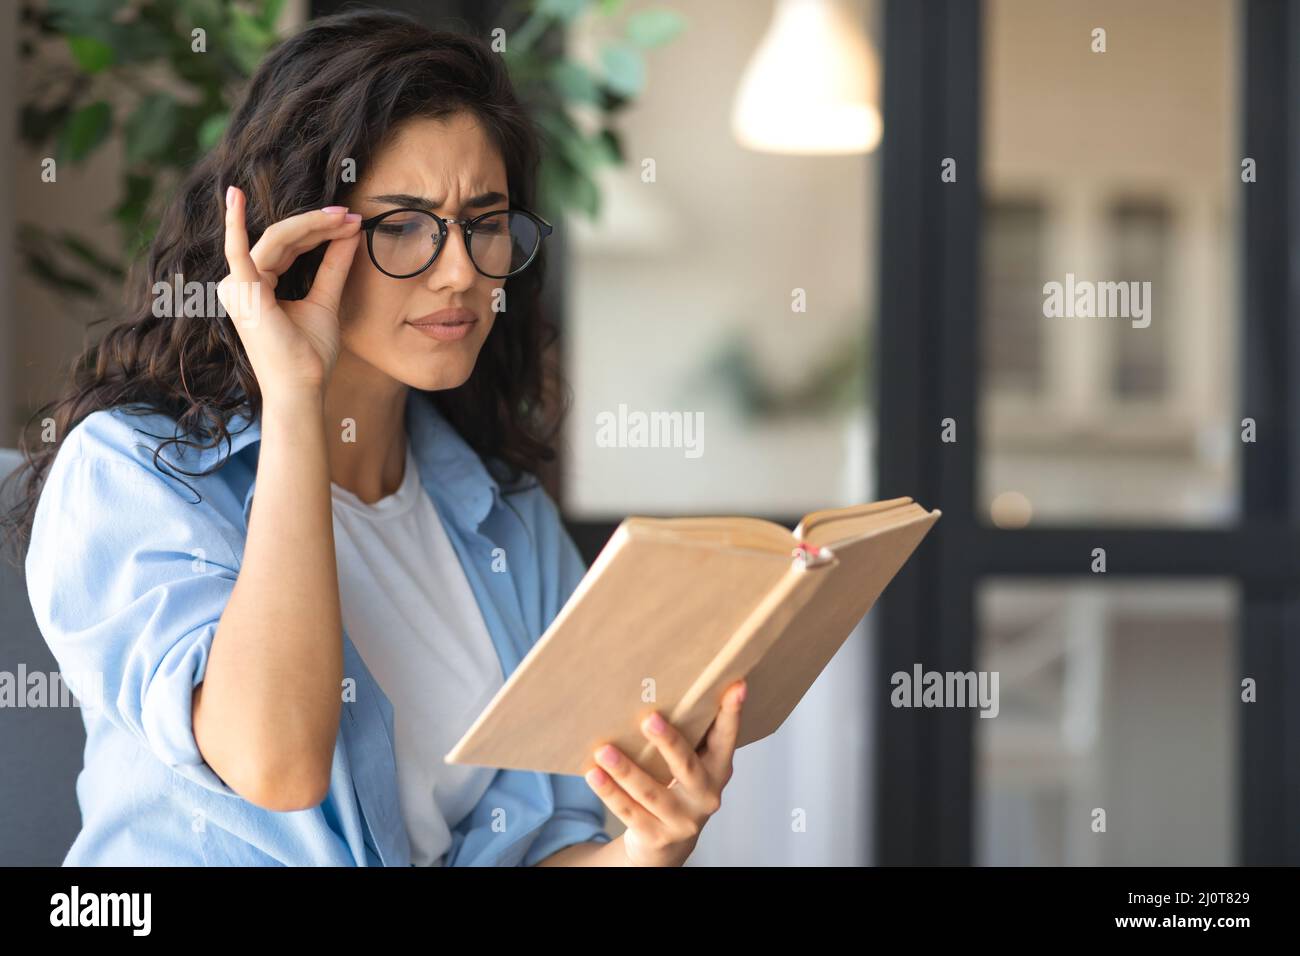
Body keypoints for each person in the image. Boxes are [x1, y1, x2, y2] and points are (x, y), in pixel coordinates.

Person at [4, 9, 745, 867]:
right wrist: (292, 397)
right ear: (300, 237)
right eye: (402, 225)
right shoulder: (132, 472)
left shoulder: (505, 520)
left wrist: (646, 847)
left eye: (486, 220)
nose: (462, 269)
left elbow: (524, 847)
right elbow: (273, 763)